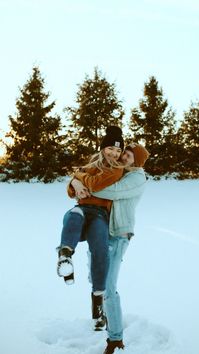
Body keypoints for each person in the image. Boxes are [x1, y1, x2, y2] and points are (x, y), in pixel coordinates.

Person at [74, 143, 149, 353]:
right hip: (100, 231)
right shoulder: (118, 172)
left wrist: (81, 181)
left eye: (130, 156)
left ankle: (115, 339)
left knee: (107, 286)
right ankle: (103, 315)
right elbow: (91, 176)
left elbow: (110, 191)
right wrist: (77, 179)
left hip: (117, 235)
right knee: (94, 278)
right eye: (124, 153)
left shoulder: (137, 177)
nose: (124, 157)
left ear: (138, 162)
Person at [57, 126, 124, 329]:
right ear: (103, 148)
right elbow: (70, 189)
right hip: (82, 209)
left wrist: (79, 179)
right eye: (111, 149)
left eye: (118, 151)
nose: (114, 153)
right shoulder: (91, 164)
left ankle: (98, 311)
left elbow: (94, 184)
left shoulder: (116, 169)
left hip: (100, 215)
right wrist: (74, 183)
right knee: (74, 214)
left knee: (100, 251)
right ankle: (65, 257)